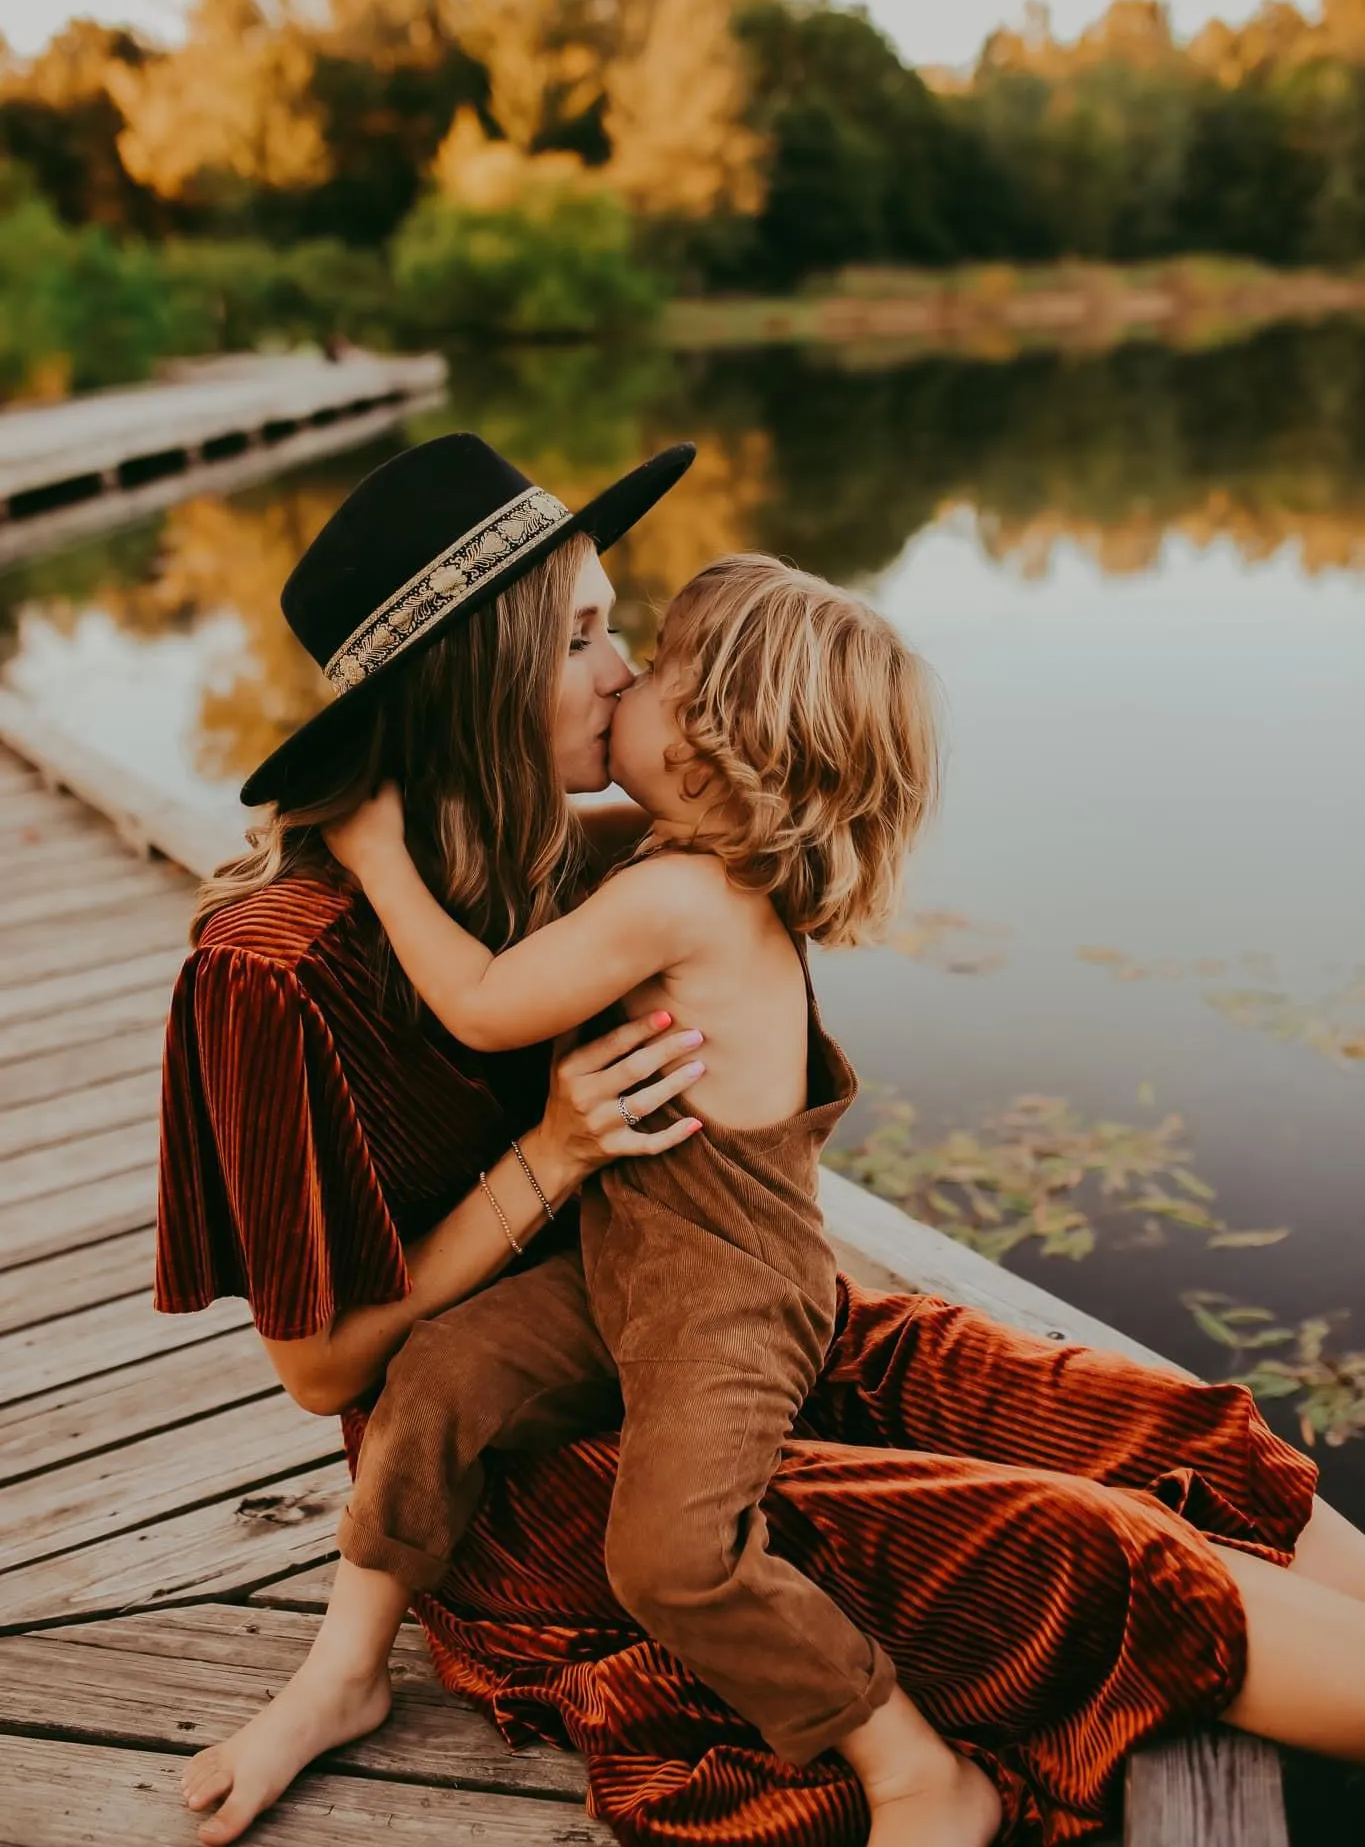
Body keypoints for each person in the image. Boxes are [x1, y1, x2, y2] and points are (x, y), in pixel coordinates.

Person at [159, 433, 1365, 1847]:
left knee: (1104, 1411)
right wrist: (550, 1154)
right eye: (589, 638)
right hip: (522, 1474)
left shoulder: (567, 851)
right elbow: (318, 1371)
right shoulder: (280, 967)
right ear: (473, 678)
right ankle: (901, 1766)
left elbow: (753, 848)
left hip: (670, 1309)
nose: (620, 673)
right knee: (1074, 1552)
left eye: (629, 636)